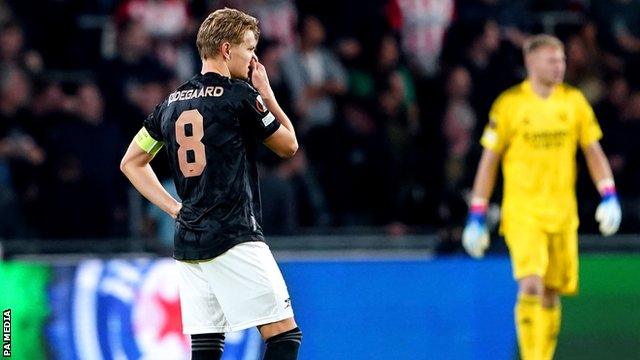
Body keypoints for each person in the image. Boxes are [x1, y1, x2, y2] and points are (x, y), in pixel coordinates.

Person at [120, 8, 301, 360]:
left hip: (189, 242)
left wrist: (175, 208)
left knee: (205, 347)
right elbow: (288, 145)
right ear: (226, 49)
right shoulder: (240, 97)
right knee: (283, 336)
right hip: (234, 234)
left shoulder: (169, 105)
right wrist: (266, 91)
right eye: (249, 49)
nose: (253, 60)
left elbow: (132, 163)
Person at [461, 34, 621, 360]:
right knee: (530, 284)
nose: (560, 66)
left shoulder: (573, 102)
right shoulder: (509, 106)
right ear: (531, 63)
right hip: (523, 212)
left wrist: (609, 194)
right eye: (552, 60)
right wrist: (476, 216)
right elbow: (488, 162)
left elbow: (593, 151)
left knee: (551, 292)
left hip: (562, 213)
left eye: (561, 60)